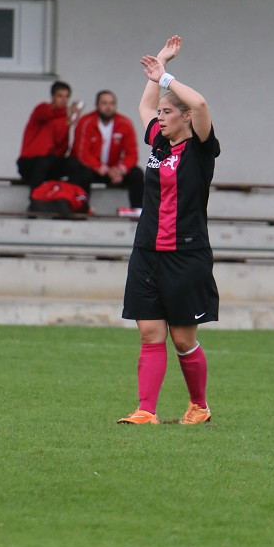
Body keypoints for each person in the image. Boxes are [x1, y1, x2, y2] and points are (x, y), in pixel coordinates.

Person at [118, 35, 220, 426]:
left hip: (186, 254)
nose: (159, 117)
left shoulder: (200, 148)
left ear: (184, 117)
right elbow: (143, 105)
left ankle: (199, 406)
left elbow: (201, 103)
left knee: (182, 338)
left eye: (167, 112)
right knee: (149, 333)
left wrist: (166, 77)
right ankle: (146, 410)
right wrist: (157, 64)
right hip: (147, 252)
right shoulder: (159, 144)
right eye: (160, 113)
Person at [67, 91, 144, 210]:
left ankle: (138, 211)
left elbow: (132, 154)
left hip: (114, 169)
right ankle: (81, 209)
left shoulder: (125, 123)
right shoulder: (86, 122)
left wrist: (120, 169)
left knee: (137, 174)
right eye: (104, 103)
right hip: (93, 169)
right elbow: (82, 154)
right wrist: (103, 169)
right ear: (97, 105)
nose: (108, 107)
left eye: (112, 103)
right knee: (80, 172)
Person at [16, 81, 81, 194]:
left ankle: (73, 199)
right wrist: (68, 112)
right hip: (29, 162)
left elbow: (61, 147)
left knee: (74, 165)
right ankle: (35, 201)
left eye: (66, 97)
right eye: (60, 96)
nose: (64, 100)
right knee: (44, 162)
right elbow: (47, 114)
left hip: (49, 162)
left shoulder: (65, 118)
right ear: (52, 97)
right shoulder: (42, 108)